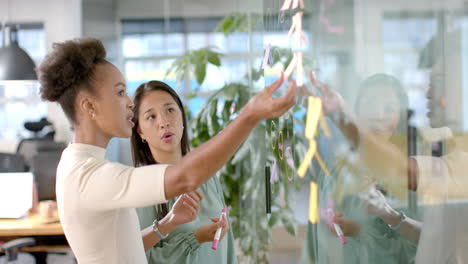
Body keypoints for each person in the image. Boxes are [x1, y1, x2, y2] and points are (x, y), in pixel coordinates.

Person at [37, 38, 296, 263]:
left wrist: (167, 224)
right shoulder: (90, 176)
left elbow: (123, 247)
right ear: (89, 106)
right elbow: (185, 177)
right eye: (120, 93)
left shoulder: (79, 164)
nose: (129, 103)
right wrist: (249, 115)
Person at [310, 29, 468, 263]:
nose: (427, 94)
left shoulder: (424, 169)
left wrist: (366, 230)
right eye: (370, 104)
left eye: (440, 82)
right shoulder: (334, 173)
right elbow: (433, 237)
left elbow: (399, 172)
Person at [300, 74, 419, 264]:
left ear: (399, 119)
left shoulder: (411, 176)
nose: (378, 115)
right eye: (370, 104)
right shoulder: (333, 171)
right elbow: (315, 244)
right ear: (355, 112)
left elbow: (417, 249)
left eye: (389, 108)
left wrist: (362, 231)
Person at [131, 81, 236, 263]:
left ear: (182, 116)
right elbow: (138, 257)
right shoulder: (142, 187)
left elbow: (227, 246)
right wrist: (195, 239)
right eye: (151, 117)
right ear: (140, 131)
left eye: (170, 110)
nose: (163, 122)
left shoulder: (206, 174)